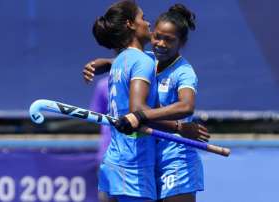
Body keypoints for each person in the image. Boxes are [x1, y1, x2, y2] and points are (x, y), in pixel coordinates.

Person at [83, 4, 209, 202]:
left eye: (169, 40)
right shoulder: (150, 59)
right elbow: (129, 61)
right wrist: (102, 63)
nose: (160, 43)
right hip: (151, 157)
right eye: (156, 36)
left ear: (181, 43)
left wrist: (142, 115)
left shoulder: (184, 72)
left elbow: (186, 106)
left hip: (176, 158)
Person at [92, 0, 159, 201]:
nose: (148, 23)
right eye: (143, 18)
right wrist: (178, 126)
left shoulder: (120, 62)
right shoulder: (141, 61)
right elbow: (137, 110)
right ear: (130, 24)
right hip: (133, 165)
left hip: (115, 160)